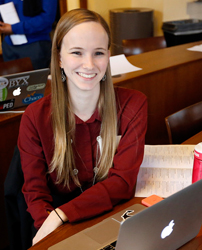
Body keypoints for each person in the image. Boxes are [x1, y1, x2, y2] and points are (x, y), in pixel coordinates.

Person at [18, 8, 148, 245]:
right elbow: (35, 192)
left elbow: (123, 183)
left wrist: (62, 213)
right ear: (59, 58)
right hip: (60, 227)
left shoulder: (134, 104)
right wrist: (51, 229)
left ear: (108, 56)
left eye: (98, 53)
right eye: (77, 52)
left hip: (111, 216)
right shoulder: (35, 117)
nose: (89, 65)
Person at [0, 0, 58, 69]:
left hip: (36, 45)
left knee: (36, 79)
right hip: (9, 45)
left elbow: (47, 18)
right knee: (12, 79)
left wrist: (14, 28)